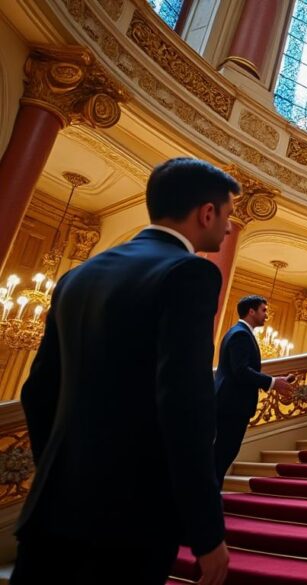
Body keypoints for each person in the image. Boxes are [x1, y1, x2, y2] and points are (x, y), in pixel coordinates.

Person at [13, 158, 235, 585]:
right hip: (128, 521)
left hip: (51, 509)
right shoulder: (190, 273)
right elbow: (185, 407)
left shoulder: (79, 276)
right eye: (226, 216)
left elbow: (38, 392)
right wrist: (206, 531)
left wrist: (64, 475)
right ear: (206, 212)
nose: (227, 229)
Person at [214, 295, 295, 486]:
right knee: (223, 453)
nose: (266, 315)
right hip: (232, 404)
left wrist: (275, 381)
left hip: (231, 403)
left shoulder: (239, 332)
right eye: (263, 310)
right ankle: (207, 499)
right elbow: (240, 371)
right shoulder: (241, 334)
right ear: (251, 311)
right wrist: (273, 382)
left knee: (223, 453)